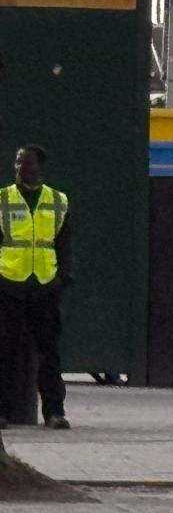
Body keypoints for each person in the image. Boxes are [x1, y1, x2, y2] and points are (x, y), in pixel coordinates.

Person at [0, 144, 72, 430]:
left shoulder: (58, 201)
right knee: (4, 351)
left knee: (49, 353)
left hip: (44, 287)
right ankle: (2, 412)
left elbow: (65, 246)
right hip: (8, 285)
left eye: (26, 163)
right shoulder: (3, 199)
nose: (20, 168)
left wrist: (60, 279)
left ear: (39, 167)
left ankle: (54, 412)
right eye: (17, 163)